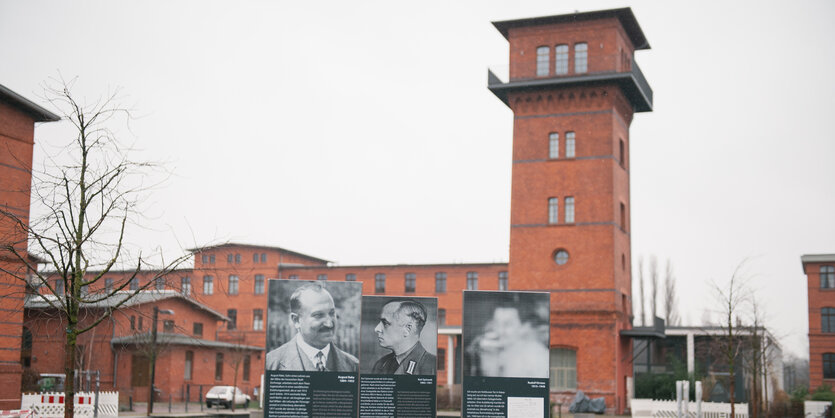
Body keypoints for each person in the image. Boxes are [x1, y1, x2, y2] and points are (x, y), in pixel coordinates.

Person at [265, 283, 358, 371]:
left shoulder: (353, 365)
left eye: (332, 313)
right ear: (296, 320)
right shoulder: (271, 363)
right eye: (318, 315)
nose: (329, 323)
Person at [371, 299, 435, 375]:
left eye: (385, 323)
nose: (377, 329)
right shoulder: (381, 364)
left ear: (407, 329)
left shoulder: (431, 366)